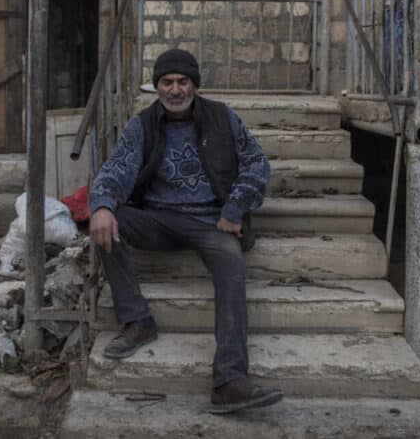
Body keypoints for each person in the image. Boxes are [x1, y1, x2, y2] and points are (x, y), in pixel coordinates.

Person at [88, 48, 282, 414]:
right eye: (166, 82)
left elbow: (257, 164)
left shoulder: (223, 118)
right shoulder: (142, 125)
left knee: (231, 266)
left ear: (194, 85)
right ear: (157, 86)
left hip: (213, 220)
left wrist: (235, 206)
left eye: (182, 81)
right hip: (159, 219)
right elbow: (116, 170)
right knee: (105, 223)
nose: (174, 90)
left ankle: (229, 382)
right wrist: (101, 205)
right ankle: (137, 320)